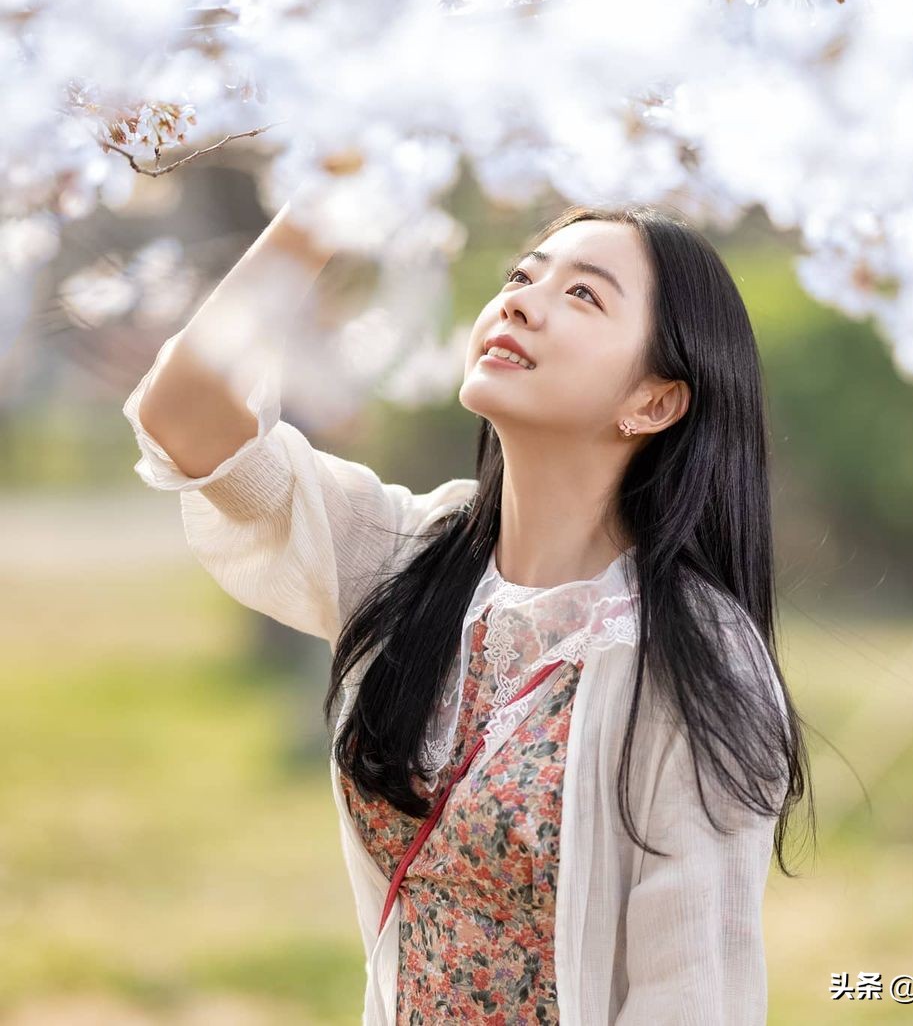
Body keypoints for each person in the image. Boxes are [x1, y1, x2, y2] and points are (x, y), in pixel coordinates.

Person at [123, 198, 813, 1024]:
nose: (520, 301)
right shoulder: (408, 558)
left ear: (655, 402)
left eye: (584, 295)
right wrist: (323, 204)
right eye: (523, 276)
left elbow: (690, 996)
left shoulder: (692, 658)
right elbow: (186, 415)